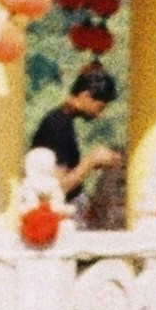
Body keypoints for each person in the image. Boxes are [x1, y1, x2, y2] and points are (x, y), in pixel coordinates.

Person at [31, 64, 121, 208]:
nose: (99, 114)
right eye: (99, 107)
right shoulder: (57, 125)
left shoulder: (62, 122)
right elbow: (59, 187)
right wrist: (90, 161)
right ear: (85, 95)